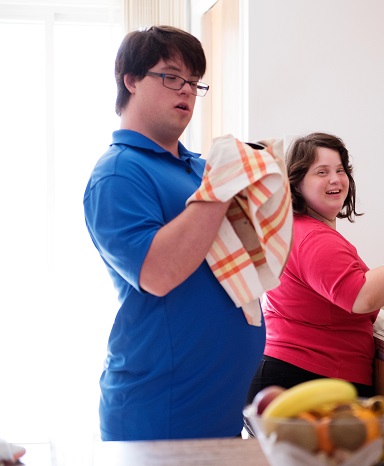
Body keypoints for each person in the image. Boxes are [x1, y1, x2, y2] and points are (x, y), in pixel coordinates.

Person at [83, 26, 265, 441]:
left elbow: (247, 261)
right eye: (170, 76)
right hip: (159, 411)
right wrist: (222, 188)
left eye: (193, 82)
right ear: (130, 80)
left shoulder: (200, 169)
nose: (185, 91)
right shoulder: (117, 173)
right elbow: (157, 273)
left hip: (220, 406)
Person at [246, 132, 384, 403]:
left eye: (340, 170)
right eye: (321, 171)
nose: (335, 179)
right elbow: (361, 296)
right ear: (296, 184)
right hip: (305, 379)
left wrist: (373, 316)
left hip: (289, 374)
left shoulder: (296, 230)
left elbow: (329, 294)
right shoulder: (313, 238)